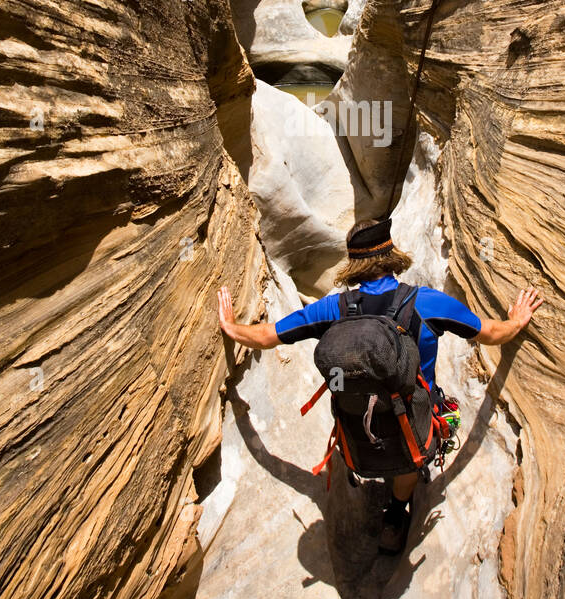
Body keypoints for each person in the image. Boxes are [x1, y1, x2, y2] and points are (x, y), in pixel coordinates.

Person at [217, 217, 544, 553]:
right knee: (409, 461)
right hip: (413, 432)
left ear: (353, 265)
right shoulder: (427, 303)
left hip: (356, 431)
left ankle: (372, 478)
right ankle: (396, 514)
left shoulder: (334, 308)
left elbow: (268, 336)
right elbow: (491, 334)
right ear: (392, 255)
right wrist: (516, 321)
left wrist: (232, 327)